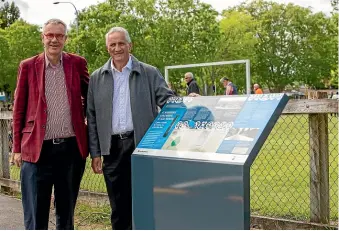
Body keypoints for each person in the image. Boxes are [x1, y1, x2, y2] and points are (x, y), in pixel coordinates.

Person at [87, 26, 174, 230]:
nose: (117, 48)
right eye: (113, 44)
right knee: (118, 208)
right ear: (108, 48)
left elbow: (168, 102)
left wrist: (188, 101)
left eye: (121, 43)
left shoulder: (149, 72)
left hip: (142, 145)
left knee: (145, 204)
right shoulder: (96, 77)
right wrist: (95, 152)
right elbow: (91, 117)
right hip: (112, 148)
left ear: (129, 45)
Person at [12, 18, 89, 230]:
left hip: (70, 150)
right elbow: (18, 109)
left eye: (59, 35)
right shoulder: (28, 66)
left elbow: (91, 99)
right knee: (36, 215)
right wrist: (17, 147)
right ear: (42, 37)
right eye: (50, 35)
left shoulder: (77, 63)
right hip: (37, 150)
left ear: (65, 38)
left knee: (66, 214)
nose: (54, 40)